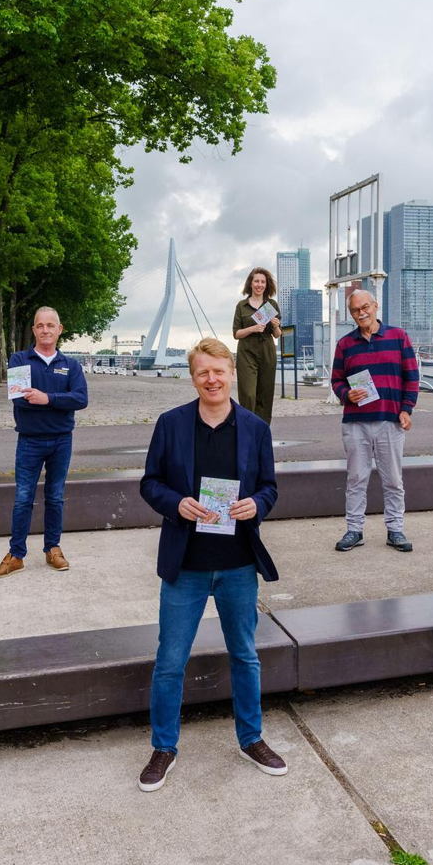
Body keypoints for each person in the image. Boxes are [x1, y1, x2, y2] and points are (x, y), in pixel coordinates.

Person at [136, 337, 285, 792]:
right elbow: (149, 483)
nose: (212, 379)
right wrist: (175, 503)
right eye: (203, 372)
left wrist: (255, 505)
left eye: (219, 371)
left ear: (231, 372)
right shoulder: (172, 424)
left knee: (245, 655)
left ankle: (251, 738)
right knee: (169, 661)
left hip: (238, 563)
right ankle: (164, 747)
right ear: (193, 376)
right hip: (187, 566)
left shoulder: (255, 429)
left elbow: (270, 488)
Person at [0, 307, 90, 578]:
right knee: (23, 498)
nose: (45, 330)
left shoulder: (71, 365)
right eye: (40, 325)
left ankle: (53, 548)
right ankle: (16, 554)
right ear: (34, 330)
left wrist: (47, 398)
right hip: (30, 441)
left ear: (60, 329)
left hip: (61, 441)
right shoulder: (20, 360)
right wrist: (59, 401)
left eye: (51, 325)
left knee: (55, 497)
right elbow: (20, 400)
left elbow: (81, 399)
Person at [330, 289, 419, 553]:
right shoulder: (345, 345)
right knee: (356, 479)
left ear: (376, 305)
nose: (361, 313)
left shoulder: (398, 337)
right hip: (355, 422)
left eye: (365, 307)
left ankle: (395, 529)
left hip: (389, 421)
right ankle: (354, 530)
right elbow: (335, 380)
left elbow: (411, 377)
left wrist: (407, 410)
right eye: (356, 310)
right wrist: (347, 394)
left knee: (393, 479)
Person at [232, 267, 282, 423]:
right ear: (250, 283)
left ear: (266, 285)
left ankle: (262, 430)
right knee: (248, 394)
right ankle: (246, 427)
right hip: (247, 353)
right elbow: (236, 334)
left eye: (263, 282)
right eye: (256, 281)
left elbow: (277, 334)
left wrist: (275, 325)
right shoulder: (242, 306)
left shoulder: (271, 304)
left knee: (265, 395)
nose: (259, 284)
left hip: (267, 352)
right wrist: (253, 328)